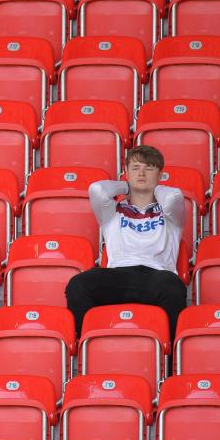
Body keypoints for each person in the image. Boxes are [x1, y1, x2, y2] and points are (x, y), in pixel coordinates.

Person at [64, 144, 187, 341]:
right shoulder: (110, 211)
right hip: (117, 274)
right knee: (78, 285)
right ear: (126, 173)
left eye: (149, 168)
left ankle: (170, 358)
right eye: (135, 168)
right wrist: (126, 186)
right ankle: (87, 346)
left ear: (160, 175)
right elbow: (97, 189)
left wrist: (153, 187)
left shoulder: (171, 212)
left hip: (157, 275)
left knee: (173, 288)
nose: (142, 174)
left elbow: (174, 197)